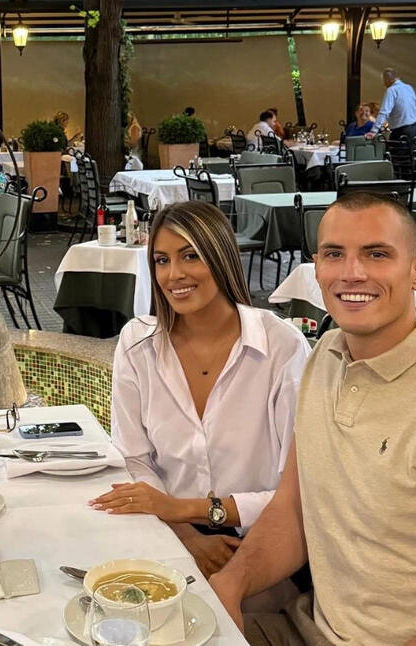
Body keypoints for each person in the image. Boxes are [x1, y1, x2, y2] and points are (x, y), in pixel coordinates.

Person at [211, 191, 416, 645]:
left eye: (377, 254)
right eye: (335, 254)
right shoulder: (326, 356)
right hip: (306, 628)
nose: (352, 273)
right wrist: (229, 585)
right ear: (316, 268)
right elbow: (293, 509)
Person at [90, 201, 310, 581]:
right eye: (161, 260)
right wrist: (187, 536)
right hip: (167, 534)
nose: (174, 274)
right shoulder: (136, 343)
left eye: (190, 256)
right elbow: (134, 458)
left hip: (265, 541)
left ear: (220, 256)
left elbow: (298, 491)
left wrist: (186, 510)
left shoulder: (282, 348)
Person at [366, 68, 416, 142]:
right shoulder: (409, 88)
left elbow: (384, 112)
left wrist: (374, 131)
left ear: (387, 80)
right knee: (411, 149)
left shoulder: (391, 90)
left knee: (393, 149)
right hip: (414, 129)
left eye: (384, 81)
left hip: (401, 130)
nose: (384, 84)